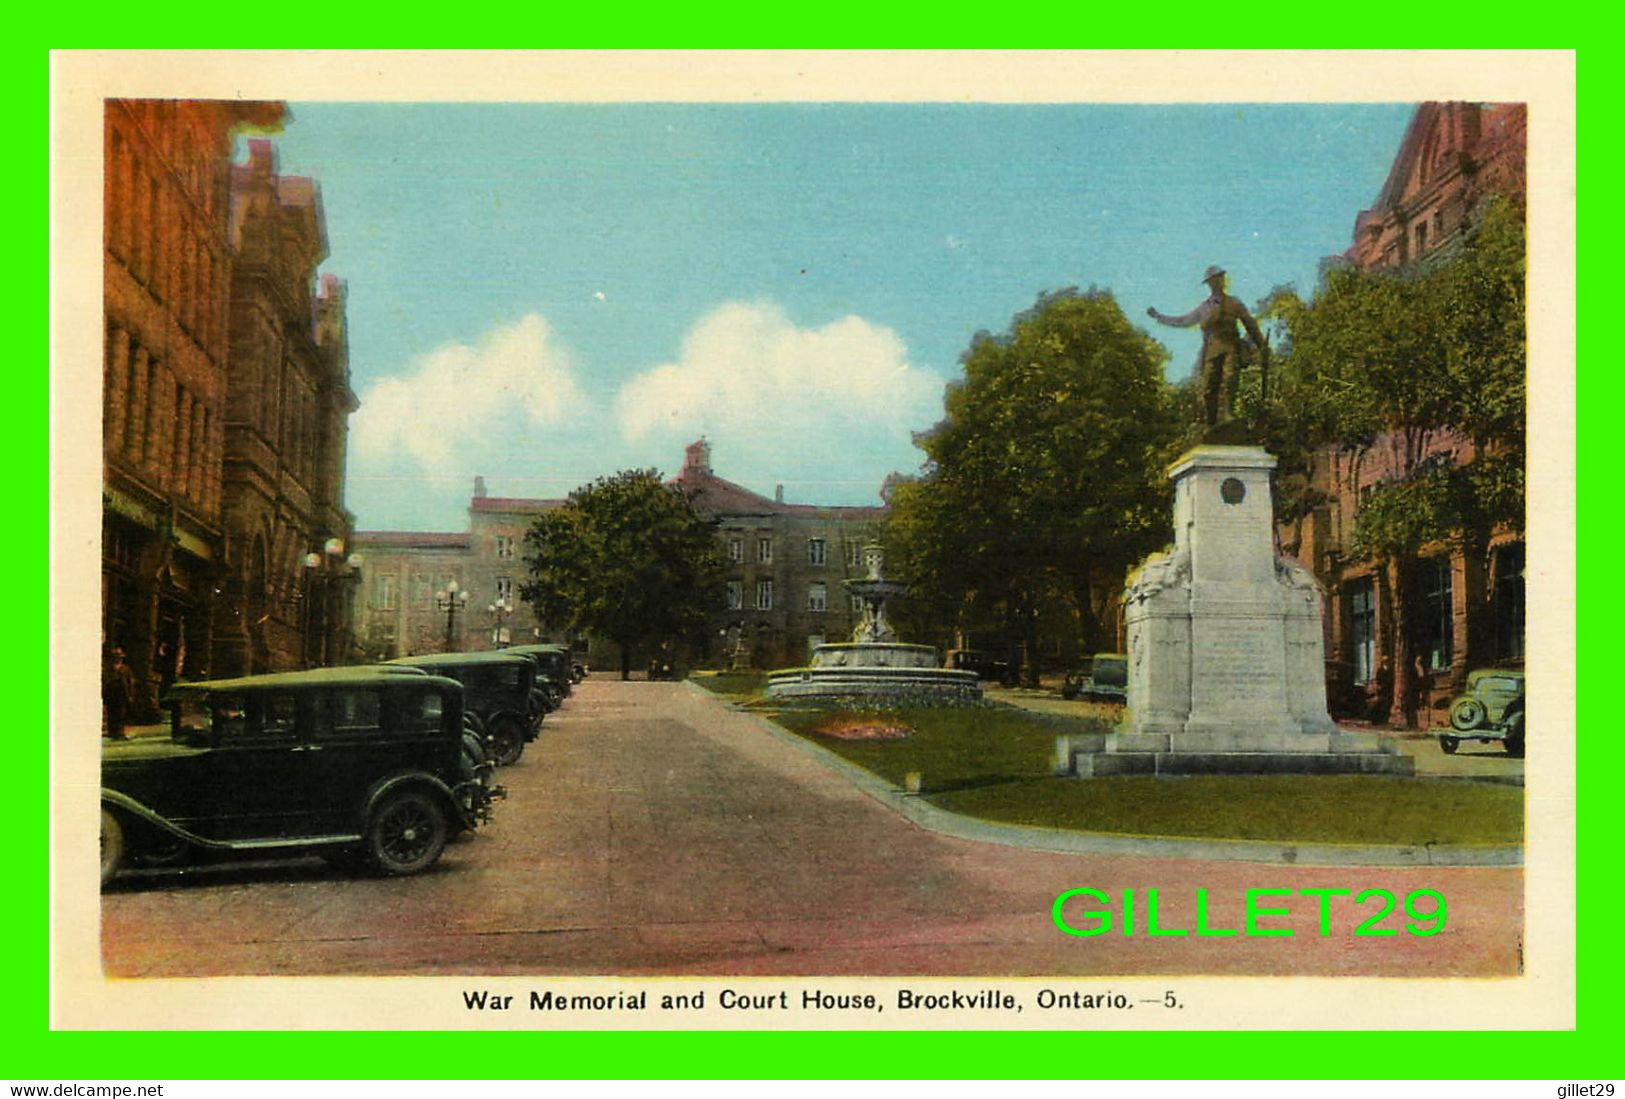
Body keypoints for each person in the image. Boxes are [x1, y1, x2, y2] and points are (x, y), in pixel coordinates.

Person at [1147, 265, 1270, 427]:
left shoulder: (1235, 303)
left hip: (1231, 346)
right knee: (1208, 386)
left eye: (1221, 278)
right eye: (1215, 279)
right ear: (1210, 283)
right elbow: (1182, 321)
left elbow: (1250, 324)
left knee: (1231, 378)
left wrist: (1262, 345)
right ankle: (1211, 421)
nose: (1219, 281)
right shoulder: (1204, 308)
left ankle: (1228, 413)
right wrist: (1159, 317)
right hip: (1212, 350)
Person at [103, 647, 135, 740]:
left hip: (122, 694)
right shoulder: (108, 669)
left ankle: (120, 732)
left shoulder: (125, 669)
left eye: (119, 657)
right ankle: (112, 731)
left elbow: (130, 683)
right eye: (116, 657)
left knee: (121, 713)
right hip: (111, 694)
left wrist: (131, 694)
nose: (118, 659)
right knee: (112, 713)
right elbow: (105, 681)